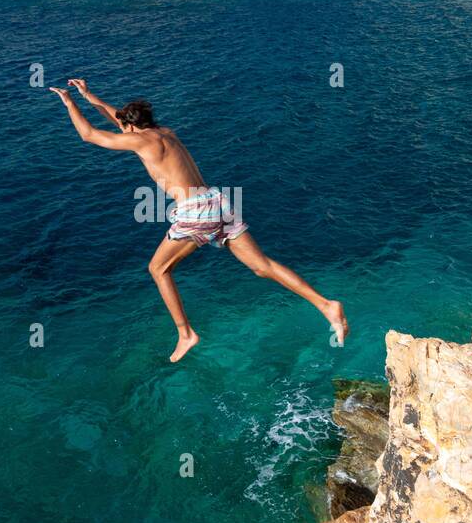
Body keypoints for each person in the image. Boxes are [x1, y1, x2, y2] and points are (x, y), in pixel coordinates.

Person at [49, 78, 349, 362]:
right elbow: (118, 119)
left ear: (130, 127)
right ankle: (327, 305)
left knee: (158, 269)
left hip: (195, 211)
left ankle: (186, 333)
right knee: (262, 266)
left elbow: (88, 135)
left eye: (122, 126)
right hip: (218, 200)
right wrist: (89, 96)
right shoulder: (166, 133)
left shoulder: (141, 143)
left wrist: (69, 103)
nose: (119, 128)